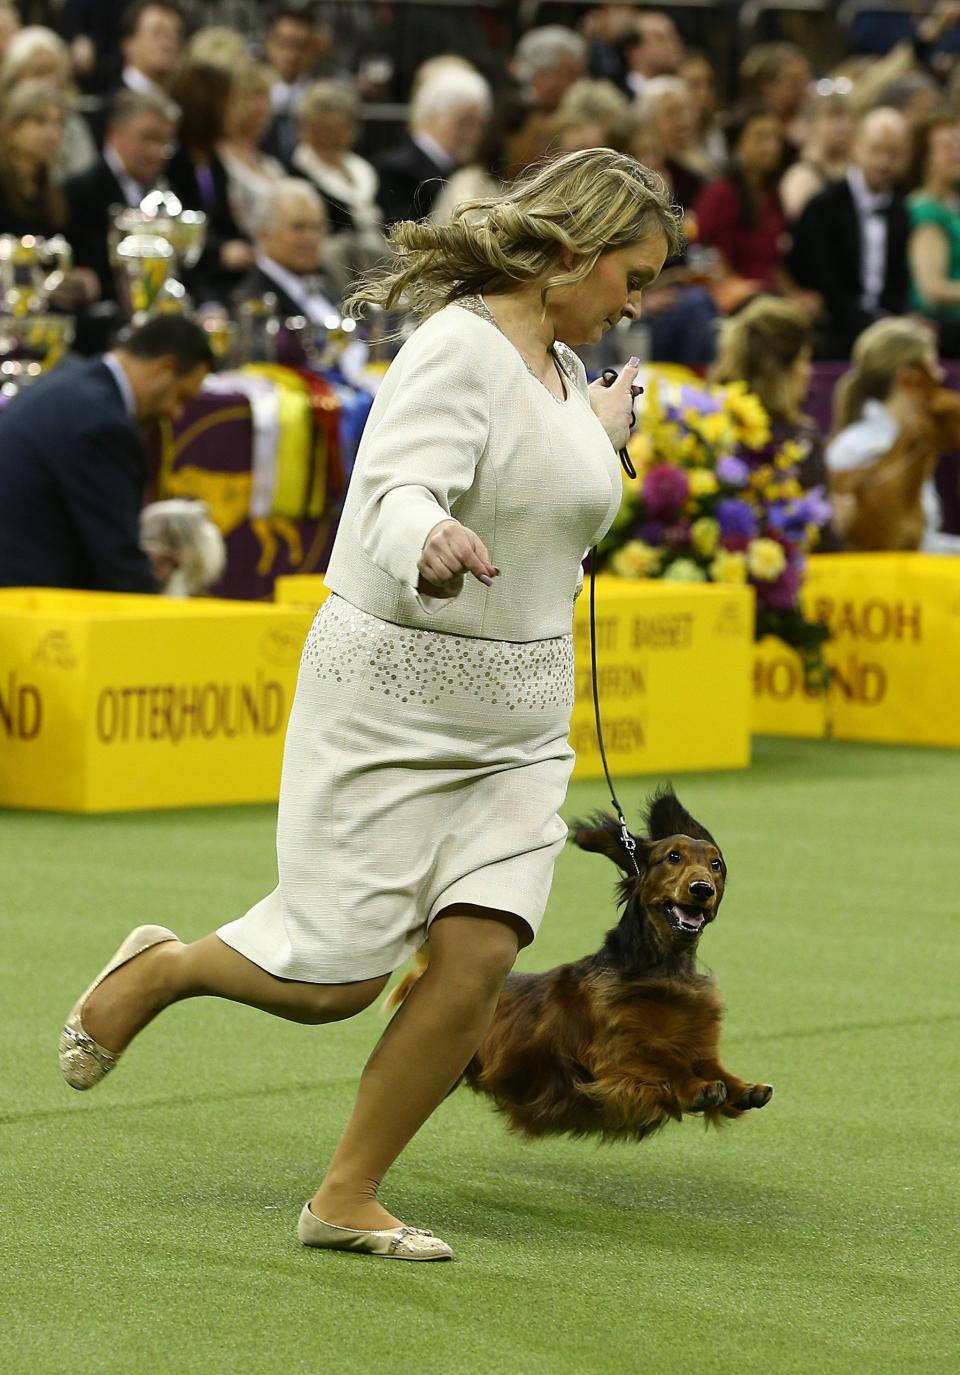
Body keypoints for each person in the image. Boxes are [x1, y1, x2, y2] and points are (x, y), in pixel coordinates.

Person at [57, 147, 680, 1263]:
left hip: (524, 722)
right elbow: (393, 490)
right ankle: (168, 966)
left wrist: (604, 437)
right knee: (334, 980)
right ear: (574, 253)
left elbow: (550, 509)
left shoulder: (564, 366)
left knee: (484, 952)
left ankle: (347, 1193)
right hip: (395, 698)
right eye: (632, 276)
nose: (639, 301)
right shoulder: (458, 349)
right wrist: (424, 540)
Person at [0, 315, 214, 591]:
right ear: (165, 367)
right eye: (181, 396)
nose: (176, 412)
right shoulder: (103, 424)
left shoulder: (68, 383)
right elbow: (119, 566)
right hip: (31, 602)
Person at [710, 296, 842, 549]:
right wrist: (841, 522)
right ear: (782, 369)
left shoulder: (708, 426)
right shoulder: (800, 442)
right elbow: (821, 542)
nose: (809, 371)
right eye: (804, 360)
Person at [826, 317, 960, 551]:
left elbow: (920, 542)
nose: (940, 377)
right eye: (933, 367)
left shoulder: (907, 443)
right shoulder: (859, 447)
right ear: (907, 378)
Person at [789, 106, 911, 359]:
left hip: (890, 327)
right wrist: (873, 325)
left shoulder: (902, 209)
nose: (884, 162)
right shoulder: (824, 207)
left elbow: (900, 281)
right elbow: (821, 282)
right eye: (876, 150)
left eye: (894, 153)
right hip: (836, 326)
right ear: (856, 147)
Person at [65, 88, 179, 352]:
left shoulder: (167, 193)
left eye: (165, 142)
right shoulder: (80, 191)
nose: (157, 152)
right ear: (114, 133)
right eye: (148, 138)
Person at [166, 62, 256, 305]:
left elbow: (223, 221)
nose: (239, 113)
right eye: (231, 103)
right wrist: (220, 251)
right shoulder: (174, 160)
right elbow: (178, 222)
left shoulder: (214, 162)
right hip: (193, 272)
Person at [289, 79, 386, 293]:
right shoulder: (295, 173)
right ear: (304, 128)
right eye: (320, 129)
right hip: (334, 273)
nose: (328, 137)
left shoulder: (364, 169)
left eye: (336, 129)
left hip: (379, 266)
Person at [374, 65, 492, 226]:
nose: (473, 135)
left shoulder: (462, 170)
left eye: (480, 125)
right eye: (465, 122)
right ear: (433, 116)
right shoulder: (398, 170)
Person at [0, 25, 98, 180]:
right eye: (38, 72)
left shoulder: (73, 123)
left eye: (52, 71)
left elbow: (85, 178)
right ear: (14, 77)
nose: (47, 82)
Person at [233, 177, 337, 323]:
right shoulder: (252, 301)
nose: (311, 238)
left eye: (317, 227)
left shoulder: (327, 281)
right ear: (264, 234)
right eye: (298, 227)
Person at [907, 114, 960, 359]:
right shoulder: (926, 210)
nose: (956, 153)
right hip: (943, 331)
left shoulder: (951, 205)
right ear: (926, 157)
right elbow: (931, 288)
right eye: (947, 147)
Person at [218, 61, 286, 242]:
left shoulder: (271, 164)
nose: (264, 106)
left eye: (267, 97)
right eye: (256, 96)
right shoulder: (218, 162)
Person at [0, 79, 69, 235]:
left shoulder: (52, 188)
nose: (53, 134)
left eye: (58, 123)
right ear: (11, 128)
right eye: (40, 121)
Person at [779, 88, 855, 222]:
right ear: (812, 124)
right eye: (833, 117)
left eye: (846, 118)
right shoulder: (801, 177)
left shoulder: (856, 170)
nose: (842, 127)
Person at [260, 4, 319, 163]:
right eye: (283, 43)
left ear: (315, 48)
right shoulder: (251, 92)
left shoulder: (321, 94)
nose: (291, 55)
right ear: (268, 42)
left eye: (301, 46)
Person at [510, 25, 587, 112]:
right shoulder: (518, 115)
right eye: (571, 73)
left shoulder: (580, 110)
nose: (579, 81)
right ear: (541, 75)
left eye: (579, 73)